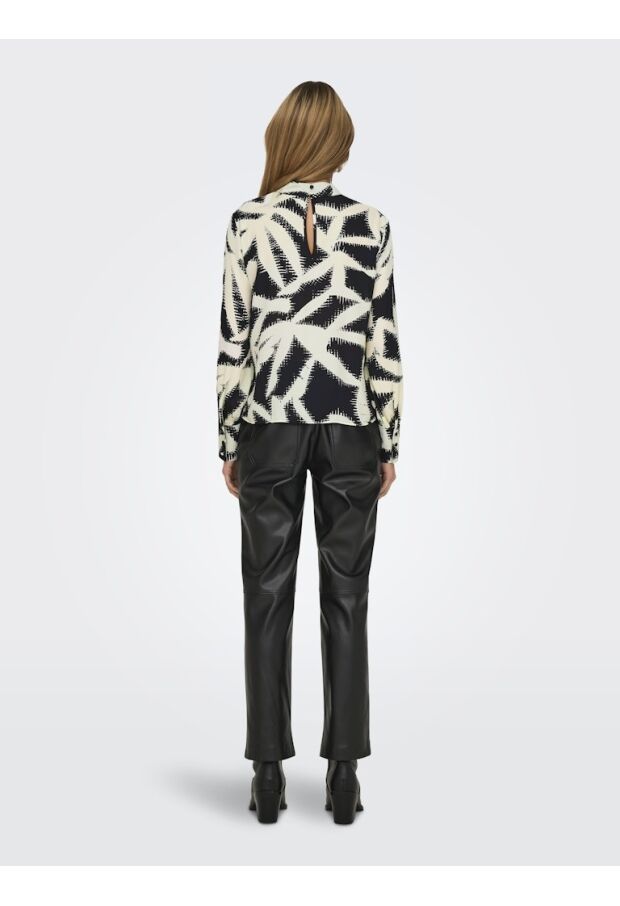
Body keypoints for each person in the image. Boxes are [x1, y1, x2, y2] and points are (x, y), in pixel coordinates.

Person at [216, 80, 403, 824]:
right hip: (350, 425)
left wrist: (230, 437)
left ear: (283, 139)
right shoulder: (372, 225)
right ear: (339, 145)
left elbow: (234, 339)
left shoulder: (247, 223)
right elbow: (383, 342)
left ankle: (267, 775)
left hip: (270, 424)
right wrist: (387, 438)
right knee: (347, 597)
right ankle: (344, 776)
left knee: (266, 596)